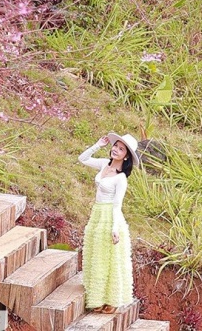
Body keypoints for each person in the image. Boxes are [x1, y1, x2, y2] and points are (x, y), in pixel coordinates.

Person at [78, 132, 138, 314]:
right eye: (115, 146)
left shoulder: (121, 178)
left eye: (121, 149)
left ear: (126, 155)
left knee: (109, 258)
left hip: (110, 216)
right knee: (96, 255)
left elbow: (117, 204)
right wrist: (98, 144)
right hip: (97, 213)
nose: (116, 150)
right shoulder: (104, 164)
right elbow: (82, 158)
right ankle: (96, 297)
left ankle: (111, 299)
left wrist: (114, 228)